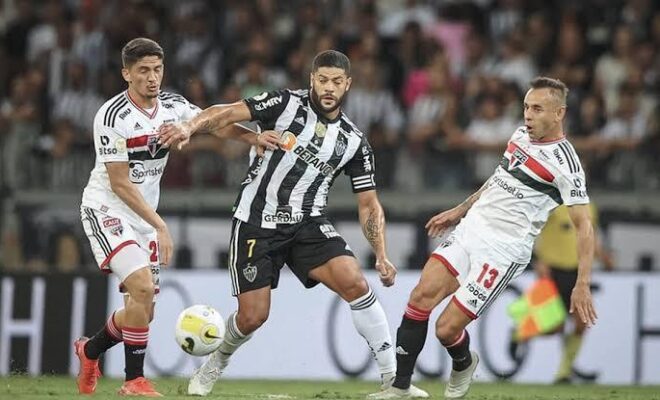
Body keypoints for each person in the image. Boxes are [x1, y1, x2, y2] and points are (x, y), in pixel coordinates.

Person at [159, 50, 428, 398]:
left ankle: (394, 382)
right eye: (322, 79)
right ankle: (214, 365)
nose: (329, 87)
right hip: (256, 220)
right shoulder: (283, 103)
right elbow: (224, 113)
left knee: (355, 282)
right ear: (311, 79)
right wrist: (187, 126)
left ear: (348, 85)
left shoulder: (353, 142)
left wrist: (381, 253)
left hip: (307, 222)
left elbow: (369, 203)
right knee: (253, 317)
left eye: (336, 81)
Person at [369, 77, 598, 399]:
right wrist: (462, 209)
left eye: (537, 109)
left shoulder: (567, 165)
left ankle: (463, 362)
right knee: (420, 297)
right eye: (525, 107)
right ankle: (401, 387)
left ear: (559, 113)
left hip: (504, 250)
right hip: (472, 230)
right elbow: (499, 178)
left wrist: (583, 283)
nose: (528, 116)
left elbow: (584, 226)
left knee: (446, 329)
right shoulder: (520, 135)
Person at [75, 37, 267, 397]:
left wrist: (252, 138)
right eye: (144, 70)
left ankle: (89, 351)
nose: (152, 77)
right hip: (107, 208)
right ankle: (134, 382)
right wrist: (160, 225)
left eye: (157, 69)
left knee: (141, 311)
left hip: (143, 216)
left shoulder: (173, 106)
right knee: (143, 287)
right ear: (126, 74)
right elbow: (118, 182)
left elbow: (214, 124)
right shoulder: (112, 116)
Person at [534, 203, 614, 384]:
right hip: (551, 271)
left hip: (578, 273)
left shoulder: (589, 206)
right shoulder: (550, 203)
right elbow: (533, 230)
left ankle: (564, 372)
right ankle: (518, 333)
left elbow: (589, 236)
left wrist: (602, 255)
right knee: (554, 327)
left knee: (581, 322)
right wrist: (538, 260)